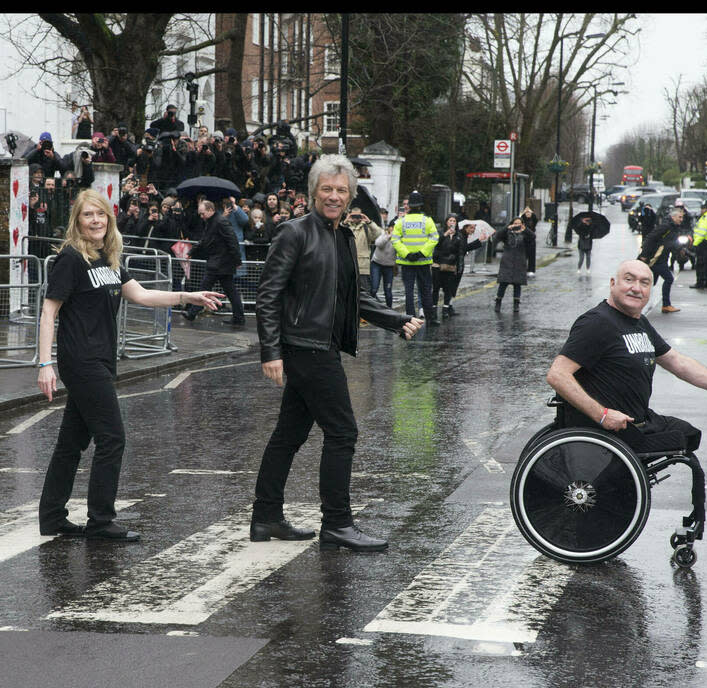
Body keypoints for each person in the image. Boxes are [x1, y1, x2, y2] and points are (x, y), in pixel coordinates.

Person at [252, 154, 424, 551]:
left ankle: (265, 517)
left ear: (350, 197)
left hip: (320, 345)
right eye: (327, 189)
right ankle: (337, 524)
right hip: (305, 347)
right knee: (343, 432)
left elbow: (356, 297)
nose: (333, 196)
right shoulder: (294, 232)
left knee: (288, 435)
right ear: (314, 192)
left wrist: (396, 320)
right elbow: (268, 293)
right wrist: (270, 351)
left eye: (341, 190)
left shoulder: (343, 236)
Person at [36, 189, 223, 539]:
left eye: (101, 215)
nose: (96, 221)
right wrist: (45, 363)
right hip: (82, 361)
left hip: (103, 360)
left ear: (109, 219)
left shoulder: (108, 260)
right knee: (112, 438)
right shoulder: (71, 259)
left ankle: (52, 516)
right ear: (77, 220)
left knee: (71, 442)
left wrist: (188, 296)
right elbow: (49, 311)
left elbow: (141, 295)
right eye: (88, 215)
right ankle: (101, 522)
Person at [546, 259, 707, 543]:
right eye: (629, 280)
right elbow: (558, 374)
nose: (636, 288)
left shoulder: (637, 323)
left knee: (687, 434)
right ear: (613, 284)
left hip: (638, 421)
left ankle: (676, 520)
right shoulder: (597, 323)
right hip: (611, 431)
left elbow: (676, 362)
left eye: (644, 283)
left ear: (650, 289)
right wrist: (602, 415)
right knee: (682, 446)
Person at [181, 199, 246, 327]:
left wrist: (237, 260)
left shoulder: (220, 222)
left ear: (211, 210)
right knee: (230, 291)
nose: (201, 216)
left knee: (205, 288)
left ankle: (193, 312)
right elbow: (205, 239)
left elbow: (232, 241)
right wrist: (192, 251)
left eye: (202, 213)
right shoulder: (213, 221)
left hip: (219, 262)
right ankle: (238, 317)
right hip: (221, 262)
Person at [393, 191, 440, 325]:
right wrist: (421, 253)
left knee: (409, 291)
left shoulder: (401, 222)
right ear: (420, 206)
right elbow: (434, 238)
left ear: (409, 206)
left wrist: (407, 254)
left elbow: (395, 240)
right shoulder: (427, 221)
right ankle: (430, 318)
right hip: (423, 262)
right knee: (425, 290)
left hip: (406, 262)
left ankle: (410, 319)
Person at [639, 206, 690, 313]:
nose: (681, 219)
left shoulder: (674, 227)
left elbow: (671, 243)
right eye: (679, 217)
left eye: (682, 217)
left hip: (662, 258)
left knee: (651, 282)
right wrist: (644, 255)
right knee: (669, 278)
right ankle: (666, 305)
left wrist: (680, 250)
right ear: (673, 217)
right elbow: (650, 238)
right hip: (656, 259)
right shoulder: (666, 226)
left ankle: (637, 303)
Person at [491, 216, 533, 311]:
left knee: (517, 284)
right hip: (507, 260)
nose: (517, 225)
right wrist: (507, 228)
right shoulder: (507, 232)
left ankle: (516, 304)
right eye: (515, 223)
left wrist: (525, 230)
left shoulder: (524, 233)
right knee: (503, 283)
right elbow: (497, 235)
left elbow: (533, 237)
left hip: (520, 260)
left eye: (519, 223)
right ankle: (498, 301)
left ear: (522, 224)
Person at [342, 206, 382, 295]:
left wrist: (369, 222)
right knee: (349, 292)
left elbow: (378, 233)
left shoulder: (366, 228)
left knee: (364, 293)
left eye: (358, 216)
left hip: (363, 267)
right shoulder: (346, 228)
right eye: (354, 216)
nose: (356, 218)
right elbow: (337, 234)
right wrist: (345, 221)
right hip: (349, 266)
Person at [690, 200, 707, 289]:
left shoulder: (706, 218)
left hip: (703, 243)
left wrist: (695, 244)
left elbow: (702, 233)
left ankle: (700, 282)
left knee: (700, 264)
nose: (701, 210)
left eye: (703, 208)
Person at [371, 220, 397, 308]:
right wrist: (388, 237)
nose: (393, 229)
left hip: (389, 266)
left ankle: (389, 309)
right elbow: (378, 244)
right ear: (389, 227)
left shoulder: (398, 238)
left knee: (388, 290)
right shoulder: (383, 233)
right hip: (377, 264)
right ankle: (372, 307)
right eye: (392, 227)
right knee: (374, 288)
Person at [521, 205, 539, 277]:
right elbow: (518, 219)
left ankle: (531, 270)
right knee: (523, 255)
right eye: (527, 213)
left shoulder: (533, 219)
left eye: (529, 213)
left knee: (532, 255)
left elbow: (536, 219)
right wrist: (523, 213)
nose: (528, 214)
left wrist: (532, 212)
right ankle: (523, 269)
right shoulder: (523, 219)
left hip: (531, 239)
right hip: (523, 238)